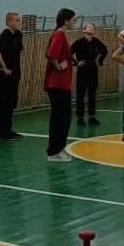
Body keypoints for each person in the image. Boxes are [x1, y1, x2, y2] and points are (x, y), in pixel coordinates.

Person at [45, 9, 76, 162]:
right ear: (66, 21)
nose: (75, 22)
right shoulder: (59, 35)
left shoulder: (59, 34)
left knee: (62, 118)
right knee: (61, 119)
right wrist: (59, 67)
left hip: (60, 85)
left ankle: (55, 150)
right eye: (74, 19)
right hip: (57, 84)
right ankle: (54, 152)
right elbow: (51, 55)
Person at [0, 12, 24, 141]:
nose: (19, 23)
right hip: (5, 76)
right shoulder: (6, 35)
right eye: (17, 21)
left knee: (11, 103)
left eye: (20, 20)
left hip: (14, 75)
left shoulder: (17, 36)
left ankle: (8, 129)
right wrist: (4, 67)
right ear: (9, 22)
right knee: (5, 103)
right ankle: (3, 131)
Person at [70, 22, 107, 126]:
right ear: (84, 30)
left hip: (93, 73)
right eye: (90, 27)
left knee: (92, 95)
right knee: (80, 95)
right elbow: (68, 53)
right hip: (82, 73)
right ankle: (80, 117)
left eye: (94, 28)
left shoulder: (96, 42)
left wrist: (100, 61)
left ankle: (91, 116)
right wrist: (76, 63)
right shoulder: (79, 42)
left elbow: (105, 51)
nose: (92, 29)